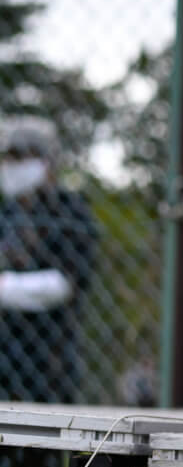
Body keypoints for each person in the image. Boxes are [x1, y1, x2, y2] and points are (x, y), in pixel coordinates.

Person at [0, 116, 98, 405]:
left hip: (48, 356)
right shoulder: (8, 214)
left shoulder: (69, 210)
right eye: (6, 157)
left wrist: (5, 288)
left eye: (18, 156)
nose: (9, 165)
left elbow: (66, 283)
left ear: (45, 159)